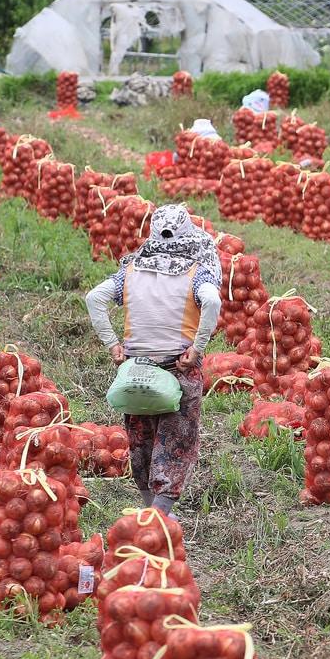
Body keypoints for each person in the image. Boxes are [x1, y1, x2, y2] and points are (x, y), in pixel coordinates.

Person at [85, 204, 222, 515]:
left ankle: (150, 510)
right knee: (177, 438)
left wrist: (113, 345)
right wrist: (198, 348)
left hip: (136, 369)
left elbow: (94, 298)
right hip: (178, 367)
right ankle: (160, 514)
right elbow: (212, 301)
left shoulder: (131, 270)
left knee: (141, 437)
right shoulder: (196, 272)